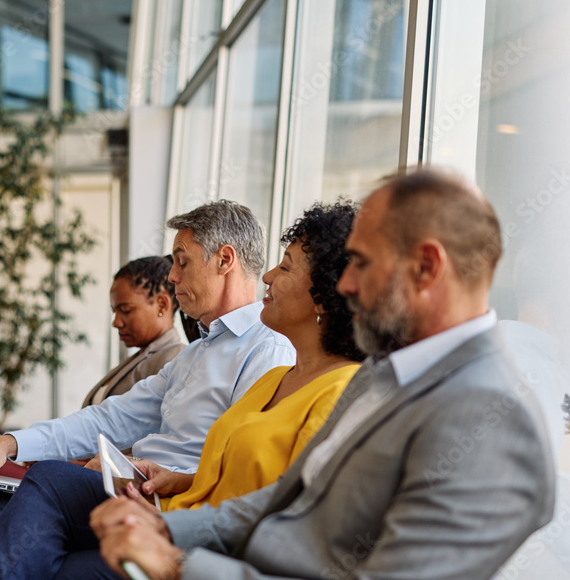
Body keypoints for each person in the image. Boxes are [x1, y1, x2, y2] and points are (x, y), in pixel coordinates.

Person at [92, 169, 556, 580]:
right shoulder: (385, 370)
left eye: (362, 263)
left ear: (427, 267)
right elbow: (290, 496)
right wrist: (165, 526)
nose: (345, 285)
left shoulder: (495, 424)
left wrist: (180, 568)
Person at [0, 201, 365, 580]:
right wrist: (13, 441)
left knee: (10, 505)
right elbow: (114, 417)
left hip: (180, 517)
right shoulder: (213, 356)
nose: (171, 276)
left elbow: (282, 501)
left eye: (181, 262)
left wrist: (169, 506)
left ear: (225, 260)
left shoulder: (275, 356)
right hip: (159, 499)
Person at [0, 255, 188, 580]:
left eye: (125, 310)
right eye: (114, 311)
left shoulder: (172, 361)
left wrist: (59, 461)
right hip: (74, 469)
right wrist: (29, 447)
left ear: (163, 305)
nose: (116, 322)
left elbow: (139, 445)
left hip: (92, 479)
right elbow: (101, 421)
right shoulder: (147, 359)